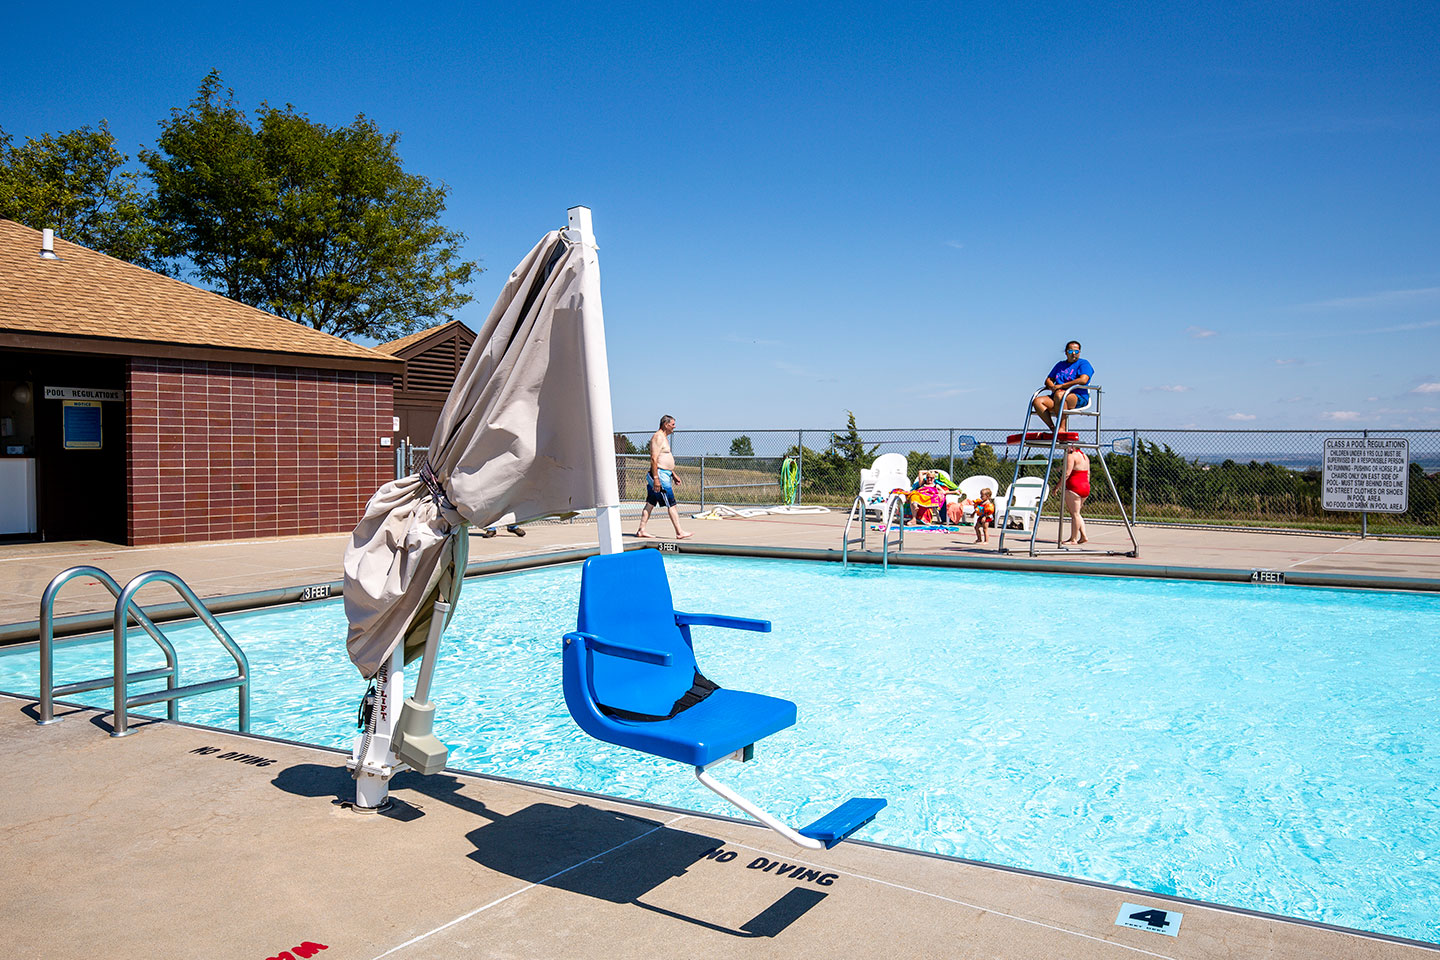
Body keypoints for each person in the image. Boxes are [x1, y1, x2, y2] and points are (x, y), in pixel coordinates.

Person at [635, 414, 693, 540]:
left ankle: (641, 530)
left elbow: (664, 458)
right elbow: (654, 459)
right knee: (671, 504)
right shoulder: (658, 437)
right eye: (672, 424)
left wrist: (673, 474)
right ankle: (679, 532)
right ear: (666, 425)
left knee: (650, 503)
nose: (674, 427)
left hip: (664, 474)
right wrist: (656, 478)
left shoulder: (664, 438)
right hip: (659, 476)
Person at [1033, 341, 1093, 433]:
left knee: (1060, 395)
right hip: (1057, 396)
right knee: (1037, 401)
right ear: (1066, 352)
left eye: (1076, 351)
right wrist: (1052, 386)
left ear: (1079, 352)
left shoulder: (1084, 364)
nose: (1073, 354)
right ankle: (1053, 429)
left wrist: (1062, 386)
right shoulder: (1060, 365)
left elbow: (1083, 380)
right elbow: (1048, 380)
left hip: (1076, 396)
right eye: (1070, 351)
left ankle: (1062, 428)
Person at [1061, 443, 1090, 545]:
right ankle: (1083, 535)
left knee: (1075, 514)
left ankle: (1073, 539)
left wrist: (1057, 486)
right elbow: (1088, 474)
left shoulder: (1071, 456)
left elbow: (1067, 473)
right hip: (1085, 486)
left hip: (1075, 487)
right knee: (1077, 513)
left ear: (1072, 447)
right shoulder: (1085, 456)